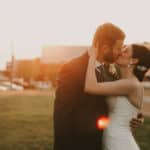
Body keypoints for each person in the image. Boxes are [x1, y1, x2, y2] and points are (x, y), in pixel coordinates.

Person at [53, 23, 144, 150]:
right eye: (118, 48)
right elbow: (62, 116)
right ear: (106, 48)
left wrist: (136, 117)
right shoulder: (72, 69)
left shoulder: (112, 71)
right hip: (80, 144)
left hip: (106, 142)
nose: (120, 53)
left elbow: (123, 101)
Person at [84, 44, 150, 150]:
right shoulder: (121, 80)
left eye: (125, 51)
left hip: (120, 143)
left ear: (133, 60)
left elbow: (90, 87)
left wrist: (92, 56)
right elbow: (130, 108)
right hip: (114, 139)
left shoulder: (130, 84)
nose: (120, 51)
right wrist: (139, 117)